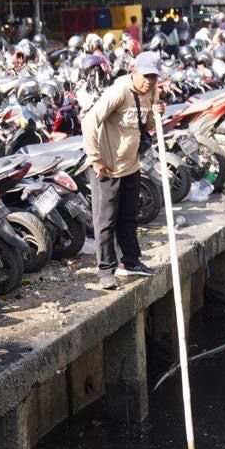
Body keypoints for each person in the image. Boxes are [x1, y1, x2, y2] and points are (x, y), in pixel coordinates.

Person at [81, 50, 165, 290]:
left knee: (129, 217)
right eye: (146, 75)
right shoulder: (118, 92)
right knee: (106, 221)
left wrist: (157, 114)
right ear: (134, 71)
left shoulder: (151, 92)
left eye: (154, 77)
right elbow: (89, 121)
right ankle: (106, 270)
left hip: (131, 166)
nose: (149, 81)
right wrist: (95, 158)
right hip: (107, 169)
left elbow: (145, 125)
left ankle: (130, 261)